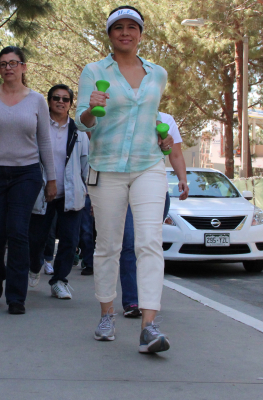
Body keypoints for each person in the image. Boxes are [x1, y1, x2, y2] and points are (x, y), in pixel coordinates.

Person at [75, 6, 175, 353]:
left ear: (141, 34)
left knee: (149, 242)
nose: (125, 33)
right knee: (109, 246)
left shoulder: (157, 74)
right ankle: (106, 315)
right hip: (106, 167)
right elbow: (83, 124)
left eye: (132, 27)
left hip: (149, 164)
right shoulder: (93, 71)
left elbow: (151, 118)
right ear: (110, 34)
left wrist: (163, 140)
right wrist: (91, 107)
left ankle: (149, 326)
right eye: (118, 28)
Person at [0, 46, 56, 315]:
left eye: (14, 63)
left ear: (24, 67)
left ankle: (16, 297)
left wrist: (51, 177)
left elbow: (44, 140)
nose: (8, 68)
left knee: (18, 232)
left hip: (26, 174)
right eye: (3, 64)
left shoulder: (37, 100)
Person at [119, 112, 189, 318]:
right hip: (127, 187)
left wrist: (182, 178)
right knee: (130, 242)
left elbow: (175, 153)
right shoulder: (126, 113)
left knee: (149, 244)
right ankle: (132, 300)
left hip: (156, 189)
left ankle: (149, 300)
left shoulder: (166, 120)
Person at [28, 84, 89, 299]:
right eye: (56, 98)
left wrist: (86, 191)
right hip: (42, 194)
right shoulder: (38, 128)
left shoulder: (79, 132)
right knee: (36, 239)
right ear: (49, 101)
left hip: (71, 196)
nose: (60, 102)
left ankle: (60, 281)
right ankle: (35, 267)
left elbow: (85, 165)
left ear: (70, 104)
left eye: (65, 99)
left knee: (69, 241)